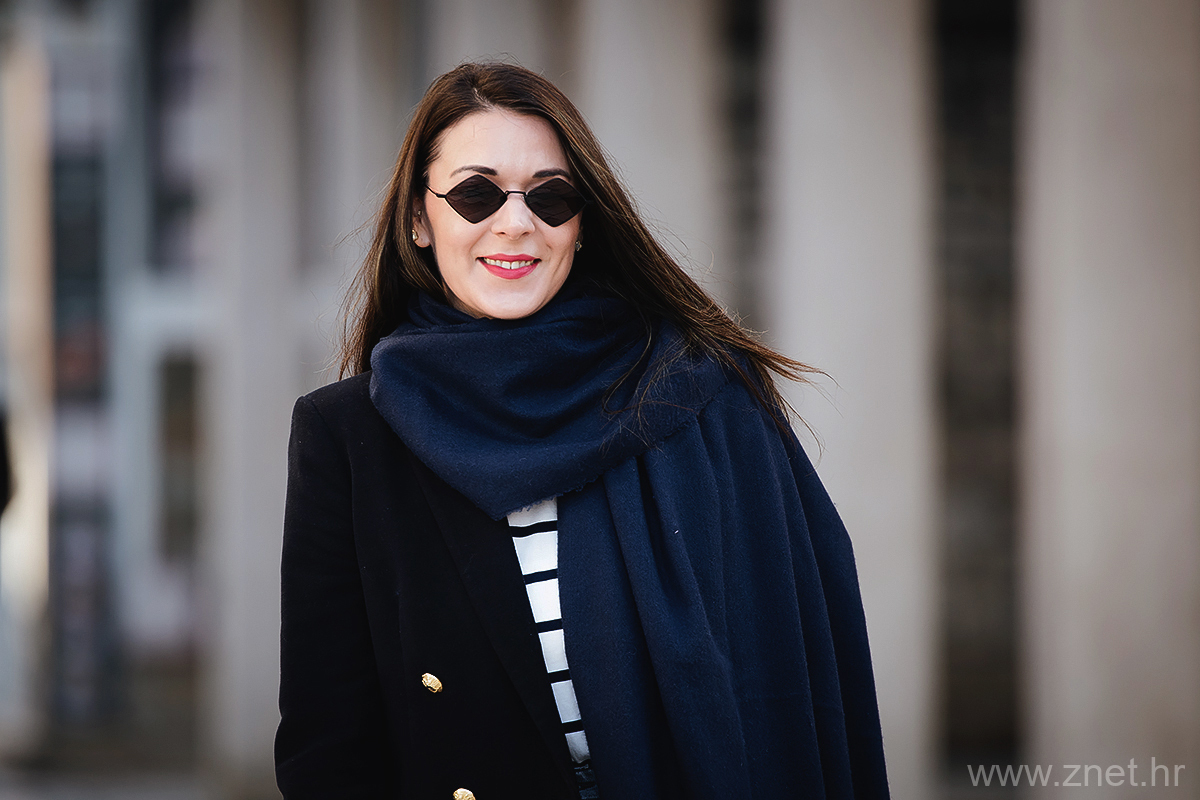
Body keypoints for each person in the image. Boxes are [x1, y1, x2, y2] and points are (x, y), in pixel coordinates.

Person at [275, 62, 889, 800]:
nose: (516, 222)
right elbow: (329, 743)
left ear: (582, 222)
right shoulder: (345, 436)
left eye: (551, 196)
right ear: (418, 219)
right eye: (475, 194)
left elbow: (803, 670)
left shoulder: (701, 399)